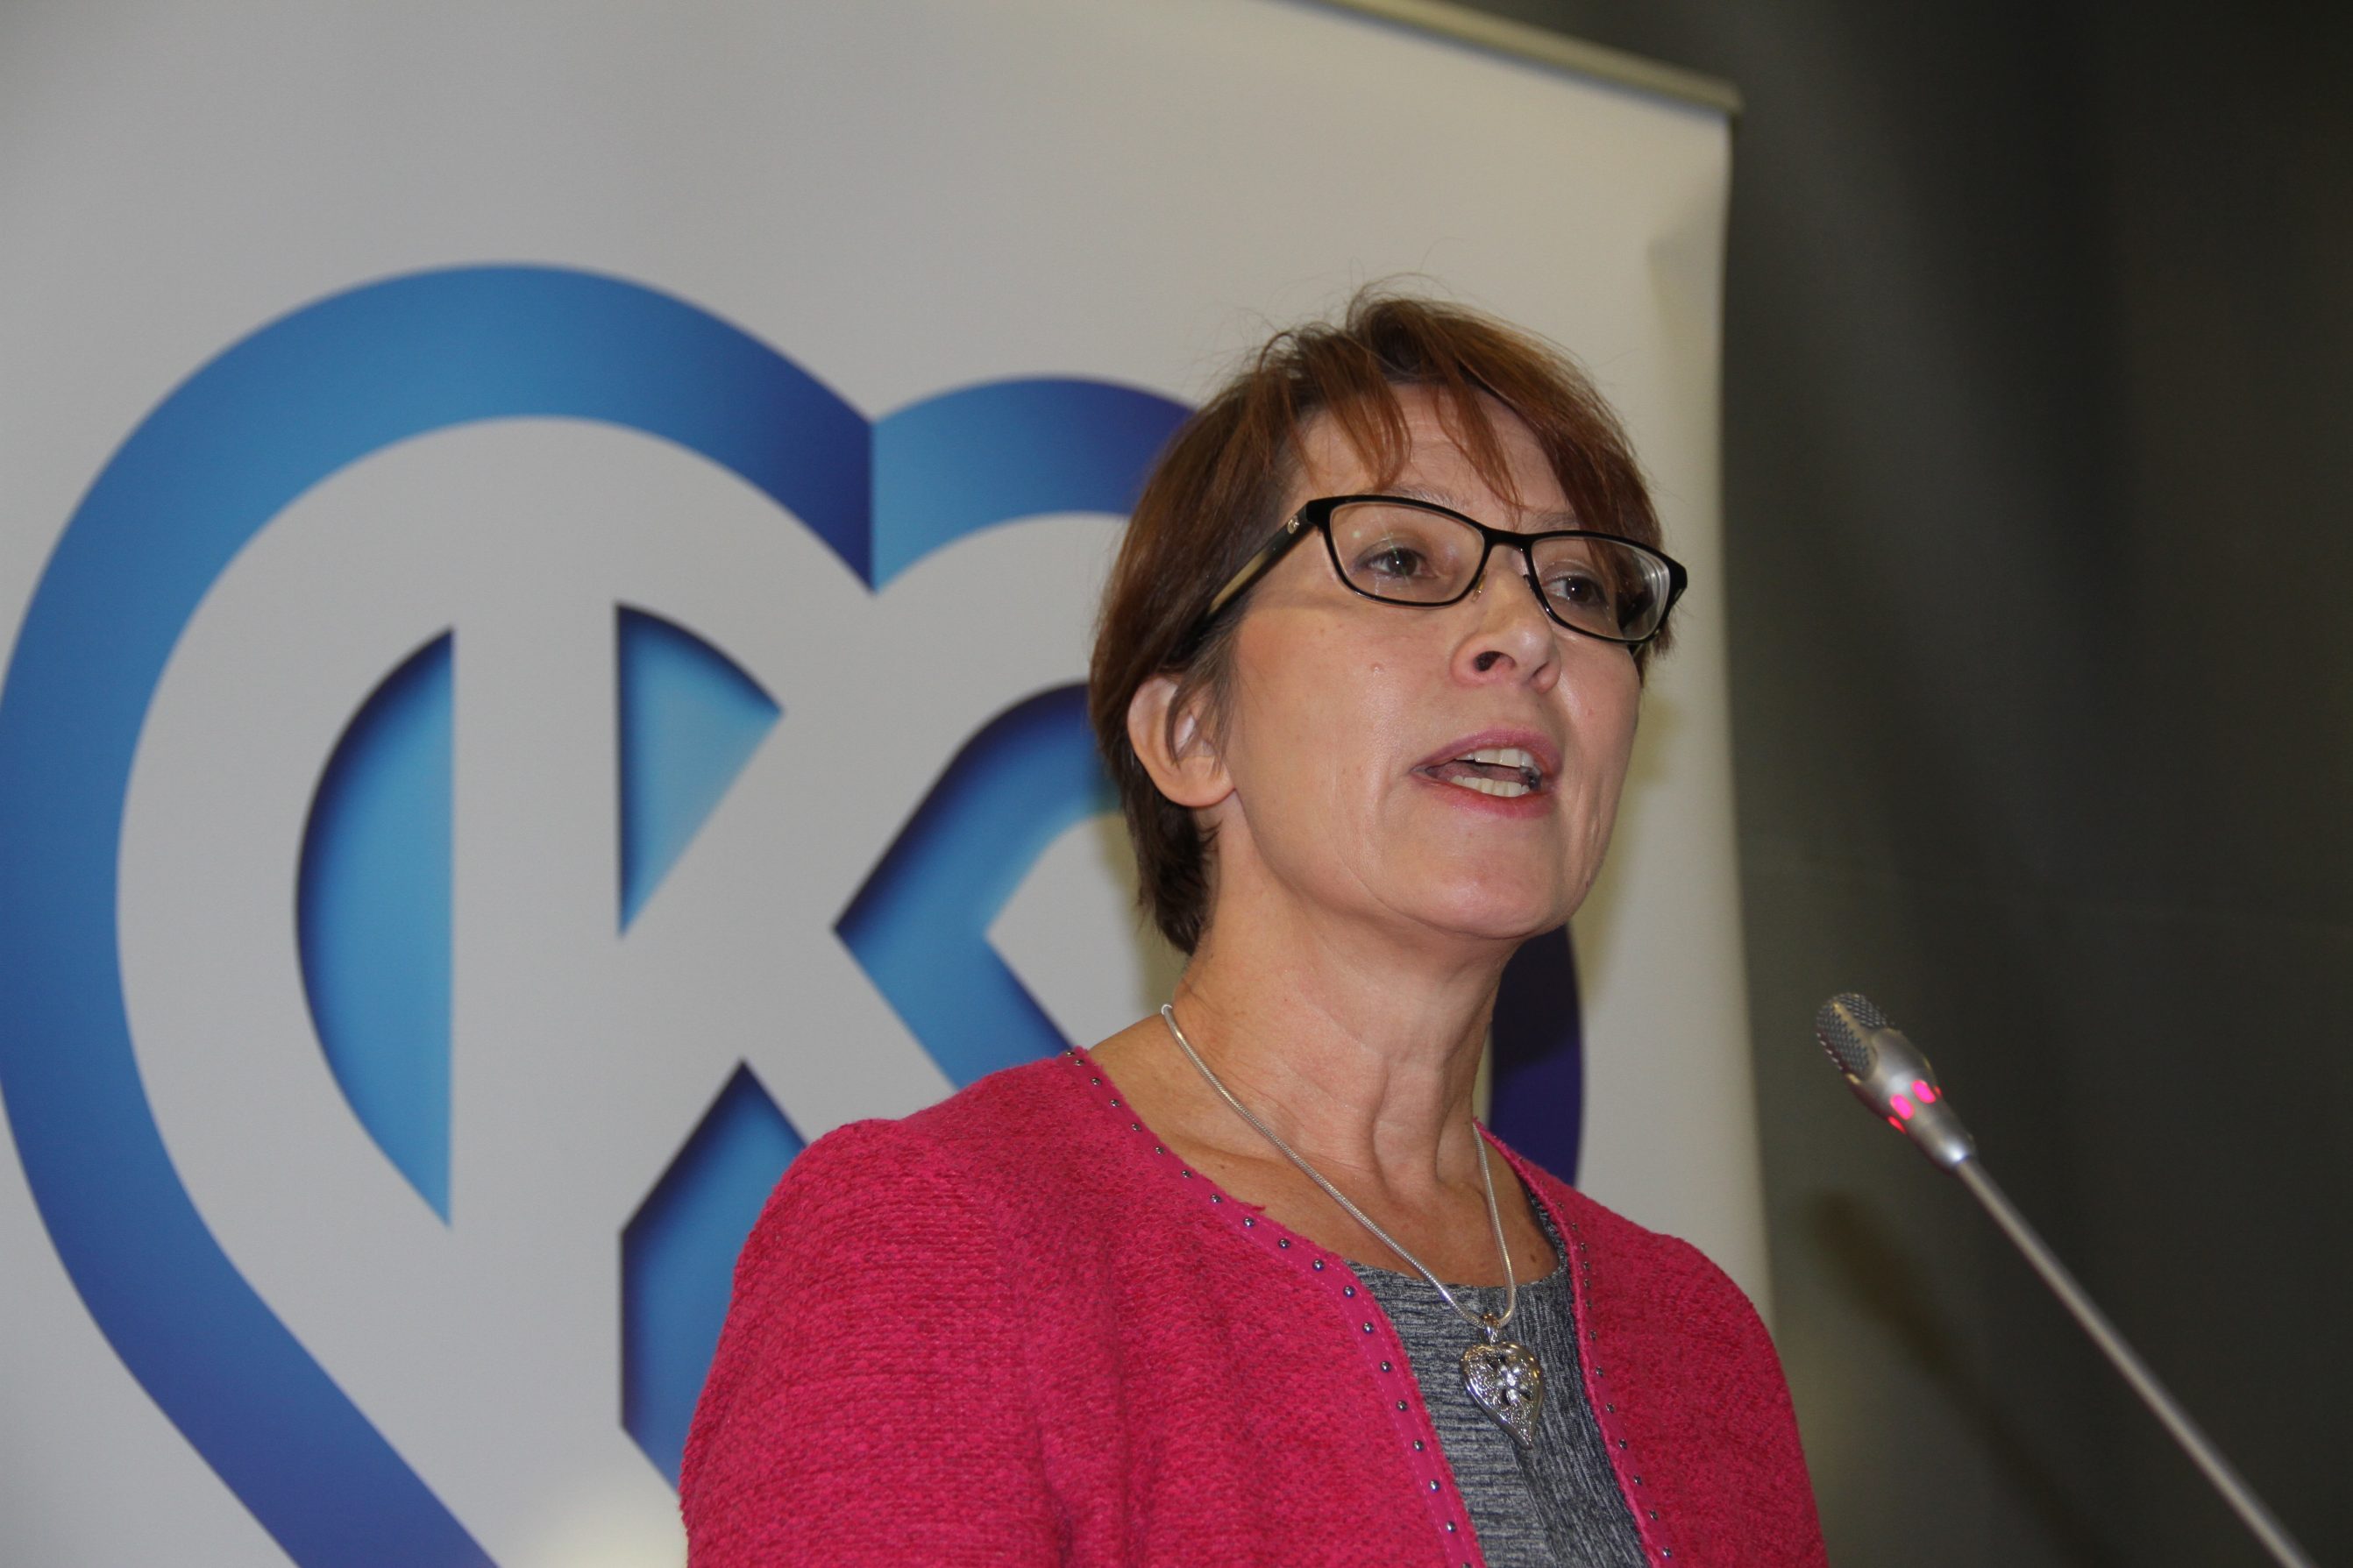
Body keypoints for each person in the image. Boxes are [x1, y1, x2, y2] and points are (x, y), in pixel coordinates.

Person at [681, 293, 1827, 1567]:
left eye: (1576, 585)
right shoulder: (937, 1243)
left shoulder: (1699, 1338)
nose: (1526, 636)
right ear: (1192, 732)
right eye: (1402, 561)